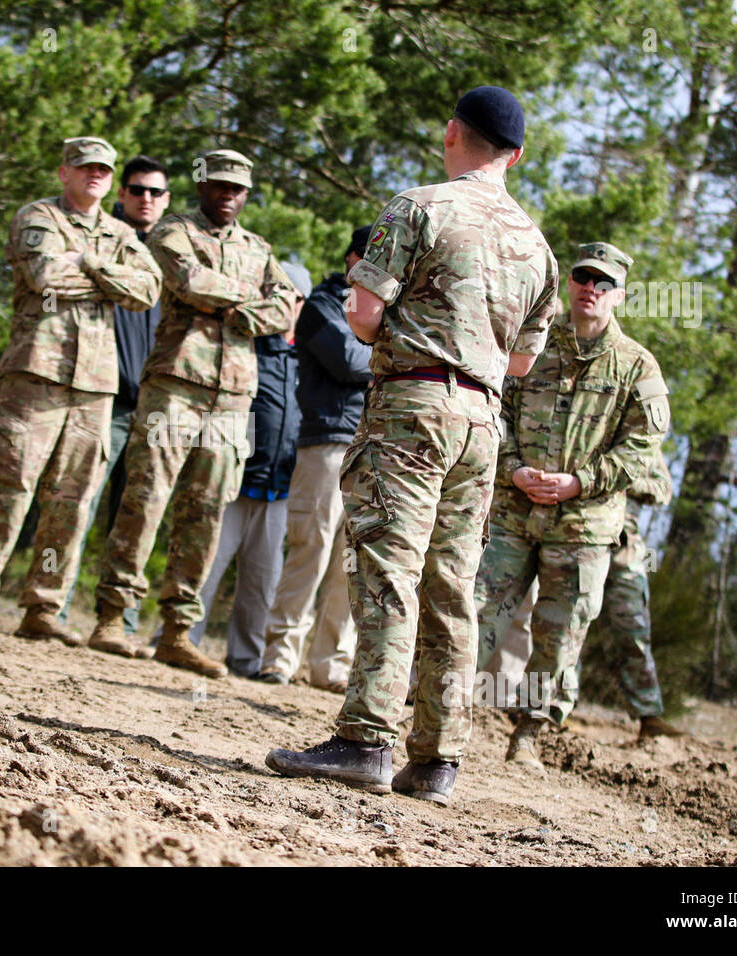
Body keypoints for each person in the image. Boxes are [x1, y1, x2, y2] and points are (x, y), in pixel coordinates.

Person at [266, 87, 559, 804]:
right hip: (482, 422)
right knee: (452, 585)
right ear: (515, 156)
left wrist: (410, 331)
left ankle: (366, 739)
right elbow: (523, 363)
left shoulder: (419, 205)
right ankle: (437, 760)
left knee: (388, 571)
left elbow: (362, 317)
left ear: (452, 132)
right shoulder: (538, 246)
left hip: (413, 408)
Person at [87, 148, 297, 677]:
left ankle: (178, 630)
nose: (227, 195)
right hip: (175, 385)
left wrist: (232, 303)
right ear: (201, 187)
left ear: (247, 195)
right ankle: (113, 615)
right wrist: (247, 301)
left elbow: (285, 307)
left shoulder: (258, 247)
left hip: (232, 397)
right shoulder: (173, 231)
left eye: (237, 188)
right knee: (146, 498)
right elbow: (187, 281)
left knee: (206, 511)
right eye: (218, 185)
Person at [0, 137, 161, 642]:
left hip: (95, 384)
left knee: (72, 498)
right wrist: (111, 277)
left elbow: (150, 289)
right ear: (64, 172)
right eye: (83, 167)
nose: (94, 175)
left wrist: (88, 263)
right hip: (36, 373)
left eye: (103, 169)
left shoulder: (116, 231)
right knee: (9, 486)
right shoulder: (38, 216)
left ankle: (42, 606)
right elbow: (45, 275)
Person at [473, 242, 671, 769]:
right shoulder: (531, 343)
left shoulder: (637, 367)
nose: (591, 289)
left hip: (583, 525)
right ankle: (433, 716)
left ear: (619, 295)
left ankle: (528, 738)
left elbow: (641, 450)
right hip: (513, 511)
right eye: (584, 278)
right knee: (472, 610)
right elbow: (496, 409)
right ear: (571, 283)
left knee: (560, 632)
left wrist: (579, 482)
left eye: (603, 283)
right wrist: (511, 467)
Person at [484, 448, 684, 739]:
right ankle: (554, 712)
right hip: (572, 535)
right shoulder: (579, 435)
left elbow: (662, 489)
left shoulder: (636, 442)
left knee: (633, 629)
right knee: (565, 627)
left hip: (624, 547)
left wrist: (618, 478)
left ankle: (649, 717)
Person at [168, 261, 308, 677]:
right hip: (235, 479)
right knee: (206, 568)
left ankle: (246, 661)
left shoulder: (308, 355)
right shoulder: (247, 344)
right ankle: (181, 643)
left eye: (294, 299)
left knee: (262, 583)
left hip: (281, 487)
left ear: (301, 303)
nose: (286, 306)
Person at [257, 227, 374, 692]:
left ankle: (330, 665)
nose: (375, 267)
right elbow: (346, 360)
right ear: (350, 257)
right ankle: (279, 658)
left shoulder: (385, 309)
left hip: (371, 446)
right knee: (311, 546)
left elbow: (358, 358)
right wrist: (387, 354)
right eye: (367, 258)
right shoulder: (324, 304)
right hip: (326, 443)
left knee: (352, 559)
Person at [60, 154, 170, 638]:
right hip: (105, 399)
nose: (146, 199)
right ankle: (52, 609)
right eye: (137, 190)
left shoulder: (175, 252)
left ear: (167, 200)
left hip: (159, 408)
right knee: (75, 504)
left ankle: (117, 622)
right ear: (122, 194)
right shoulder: (103, 238)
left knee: (138, 518)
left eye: (156, 192)